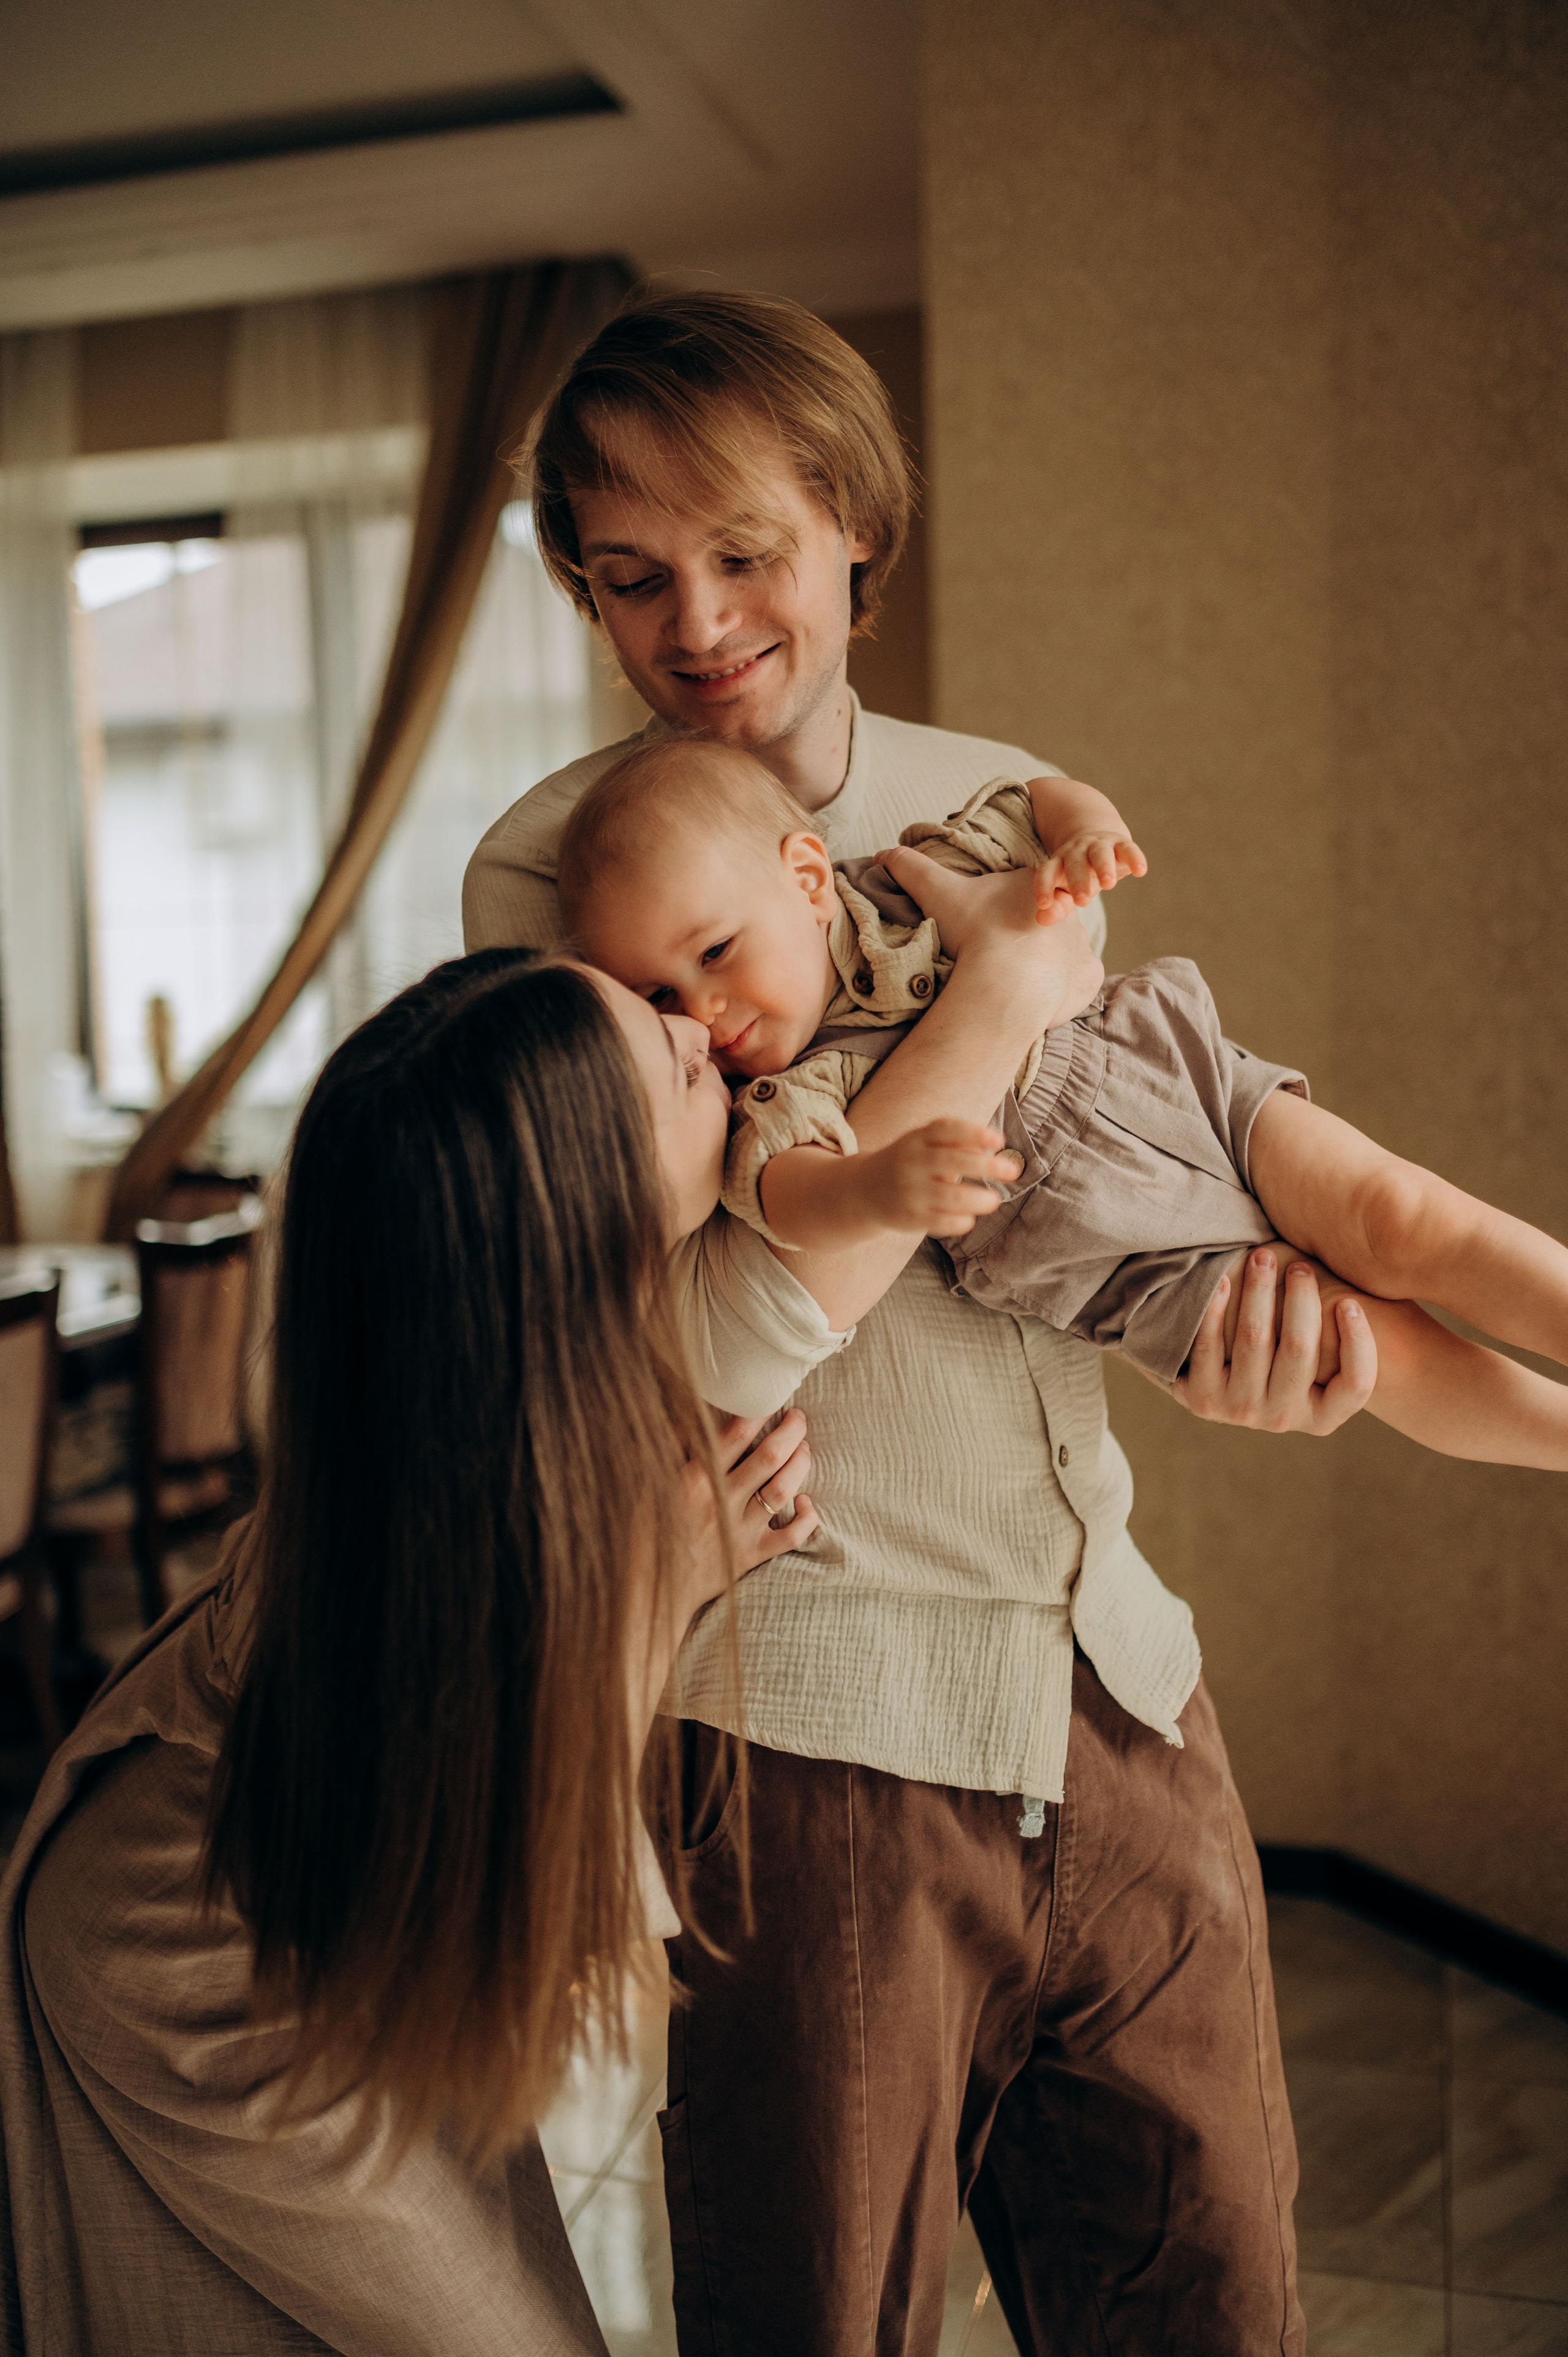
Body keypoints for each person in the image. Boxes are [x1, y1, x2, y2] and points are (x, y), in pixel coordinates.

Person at [464, 287, 1379, 2356]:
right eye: (629, 577)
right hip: (808, 1728)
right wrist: (992, 1003)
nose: (693, 621)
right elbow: (708, 1341)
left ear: (857, 527)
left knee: (1215, 2307)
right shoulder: (550, 888)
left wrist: (1243, 1331)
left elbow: (1078, 1197)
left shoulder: (1015, 806)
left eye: (746, 553)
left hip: (1119, 1685)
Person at [0, 949, 836, 2357]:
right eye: (665, 1044)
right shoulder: (479, 1443)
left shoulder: (491, 1390)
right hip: (184, 1947)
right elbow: (531, 1936)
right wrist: (664, 1584)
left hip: (295, 1885)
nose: (706, 1035)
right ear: (577, 1209)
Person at [557, 737, 1568, 1468]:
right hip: (1106, 1248)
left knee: (1401, 1216)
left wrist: (1090, 834)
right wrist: (880, 1184)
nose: (707, 1013)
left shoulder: (913, 875)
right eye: (659, 998)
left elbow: (1032, 796)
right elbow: (789, 1198)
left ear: (809, 877)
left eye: (716, 953)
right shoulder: (782, 1093)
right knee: (1367, 1347)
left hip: (1175, 1075)